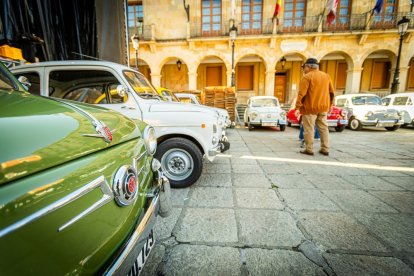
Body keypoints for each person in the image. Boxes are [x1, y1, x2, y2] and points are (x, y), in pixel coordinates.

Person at [295, 58, 335, 156]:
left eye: (304, 67)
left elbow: (302, 94)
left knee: (309, 128)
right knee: (324, 128)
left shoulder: (307, 77)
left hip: (310, 107)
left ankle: (309, 149)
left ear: (308, 66)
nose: (303, 69)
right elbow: (332, 93)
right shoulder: (327, 76)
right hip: (323, 107)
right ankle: (325, 149)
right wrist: (329, 105)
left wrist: (297, 107)